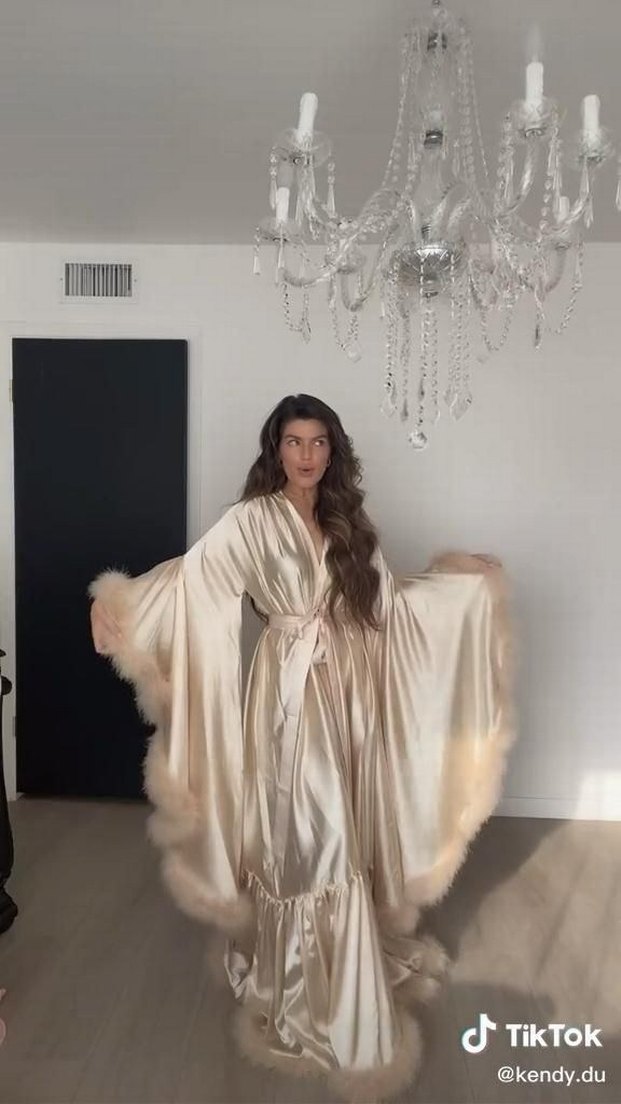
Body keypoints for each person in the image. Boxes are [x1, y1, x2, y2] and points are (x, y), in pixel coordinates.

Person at [89, 393, 515, 1103]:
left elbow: (390, 606)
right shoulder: (252, 520)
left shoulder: (349, 521)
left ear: (332, 450)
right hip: (287, 694)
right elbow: (192, 577)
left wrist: (464, 583)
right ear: (276, 449)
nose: (307, 455)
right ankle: (311, 987)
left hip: (349, 690)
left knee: (338, 822)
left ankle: (339, 968)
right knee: (311, 835)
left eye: (319, 442)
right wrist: (121, 604)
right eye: (294, 441)